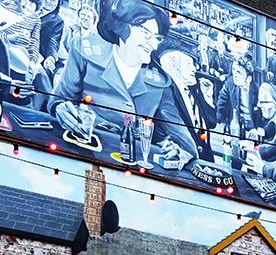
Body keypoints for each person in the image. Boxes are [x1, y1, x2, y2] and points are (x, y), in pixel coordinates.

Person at [49, 0, 189, 158]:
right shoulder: (84, 50)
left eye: (156, 38)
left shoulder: (160, 82)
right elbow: (59, 99)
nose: (153, 45)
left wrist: (180, 152)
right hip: (79, 152)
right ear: (123, 27)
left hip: (131, 166)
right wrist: (60, 108)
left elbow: (185, 142)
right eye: (146, 33)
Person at [156, 30, 213, 163]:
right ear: (174, 62)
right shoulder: (164, 92)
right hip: (184, 165)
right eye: (189, 63)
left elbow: (211, 123)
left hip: (204, 165)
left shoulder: (192, 91)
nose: (195, 69)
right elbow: (178, 134)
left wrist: (208, 97)